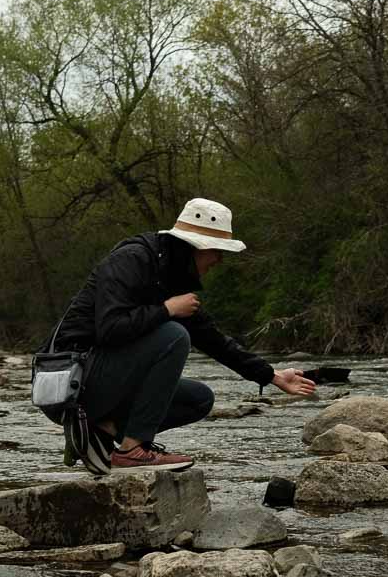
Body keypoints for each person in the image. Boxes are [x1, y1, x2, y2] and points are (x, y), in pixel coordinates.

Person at [38, 197, 314, 473]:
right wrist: (166, 310)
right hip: (67, 384)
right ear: (194, 247)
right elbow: (111, 329)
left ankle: (99, 431)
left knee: (199, 399)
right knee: (173, 335)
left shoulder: (172, 273)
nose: (219, 259)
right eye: (217, 250)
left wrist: (271, 375)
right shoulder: (131, 260)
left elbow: (214, 340)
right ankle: (132, 449)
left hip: (95, 382)